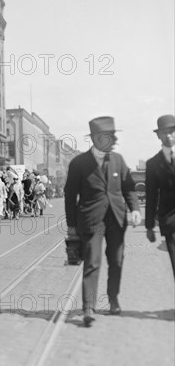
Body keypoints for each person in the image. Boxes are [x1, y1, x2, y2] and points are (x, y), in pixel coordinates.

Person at [64, 116, 141, 326]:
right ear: (97, 139)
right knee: (92, 261)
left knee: (116, 260)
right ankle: (88, 307)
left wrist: (134, 209)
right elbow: (70, 196)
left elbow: (129, 188)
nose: (115, 141)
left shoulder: (118, 160)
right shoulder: (79, 163)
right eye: (110, 137)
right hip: (92, 220)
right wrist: (71, 226)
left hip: (116, 218)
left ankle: (113, 298)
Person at [145, 114, 175, 278]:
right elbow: (151, 196)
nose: (169, 136)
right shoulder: (153, 164)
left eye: (172, 131)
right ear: (158, 135)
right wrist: (149, 226)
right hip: (171, 222)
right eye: (164, 132)